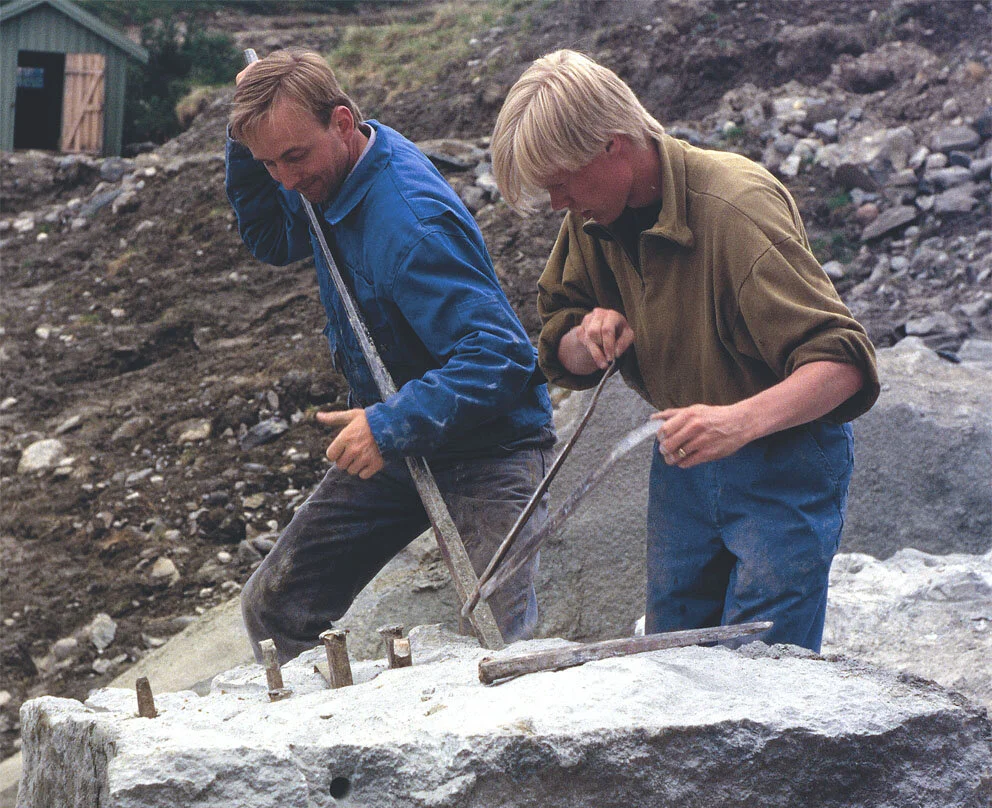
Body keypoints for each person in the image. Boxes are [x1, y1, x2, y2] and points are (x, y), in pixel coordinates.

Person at [491, 50, 879, 652]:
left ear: (612, 146)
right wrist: (587, 337)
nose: (557, 204)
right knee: (673, 656)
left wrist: (737, 422)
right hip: (684, 457)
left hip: (785, 458)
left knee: (765, 667)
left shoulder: (735, 208)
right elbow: (558, 340)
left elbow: (844, 363)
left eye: (561, 183)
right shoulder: (594, 215)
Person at [226, 49, 555, 663]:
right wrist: (244, 144)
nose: (286, 181)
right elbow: (272, 236)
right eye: (268, 163)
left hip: (490, 446)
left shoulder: (410, 222)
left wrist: (386, 425)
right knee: (275, 607)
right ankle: (328, 723)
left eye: (293, 157)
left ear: (342, 122)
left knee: (498, 648)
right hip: (406, 438)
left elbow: (501, 357)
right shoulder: (328, 173)